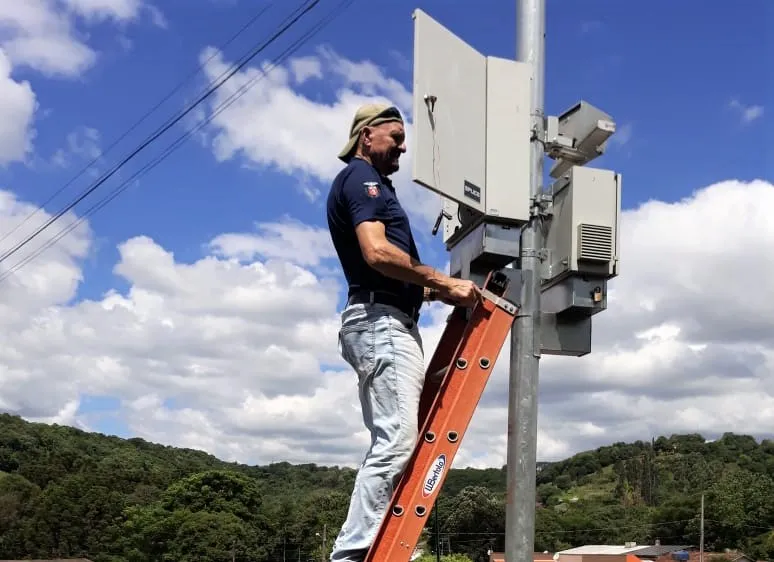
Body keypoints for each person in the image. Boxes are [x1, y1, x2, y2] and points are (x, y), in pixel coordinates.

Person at [325, 103, 481, 561]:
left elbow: (382, 271)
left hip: (385, 318)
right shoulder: (362, 181)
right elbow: (376, 253)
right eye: (395, 137)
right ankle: (356, 553)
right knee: (395, 440)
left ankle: (376, 544)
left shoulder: (367, 185)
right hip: (381, 324)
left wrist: (434, 294)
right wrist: (441, 280)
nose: (403, 145)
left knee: (396, 438)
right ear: (366, 135)